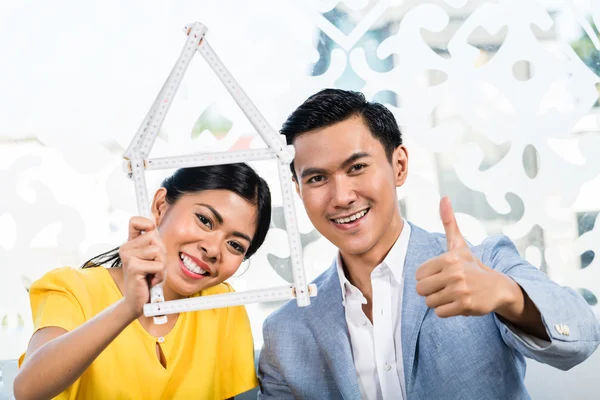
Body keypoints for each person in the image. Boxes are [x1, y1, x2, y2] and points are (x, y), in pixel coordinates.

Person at [257, 89, 600, 399]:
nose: (342, 196)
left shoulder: (481, 266)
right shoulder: (285, 333)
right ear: (298, 191)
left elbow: (581, 335)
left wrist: (507, 294)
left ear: (399, 165)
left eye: (358, 167)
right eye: (317, 178)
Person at [15, 163, 271, 400]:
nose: (213, 249)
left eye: (235, 245)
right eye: (204, 220)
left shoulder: (222, 306)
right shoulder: (72, 288)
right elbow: (28, 390)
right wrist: (128, 307)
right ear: (161, 206)